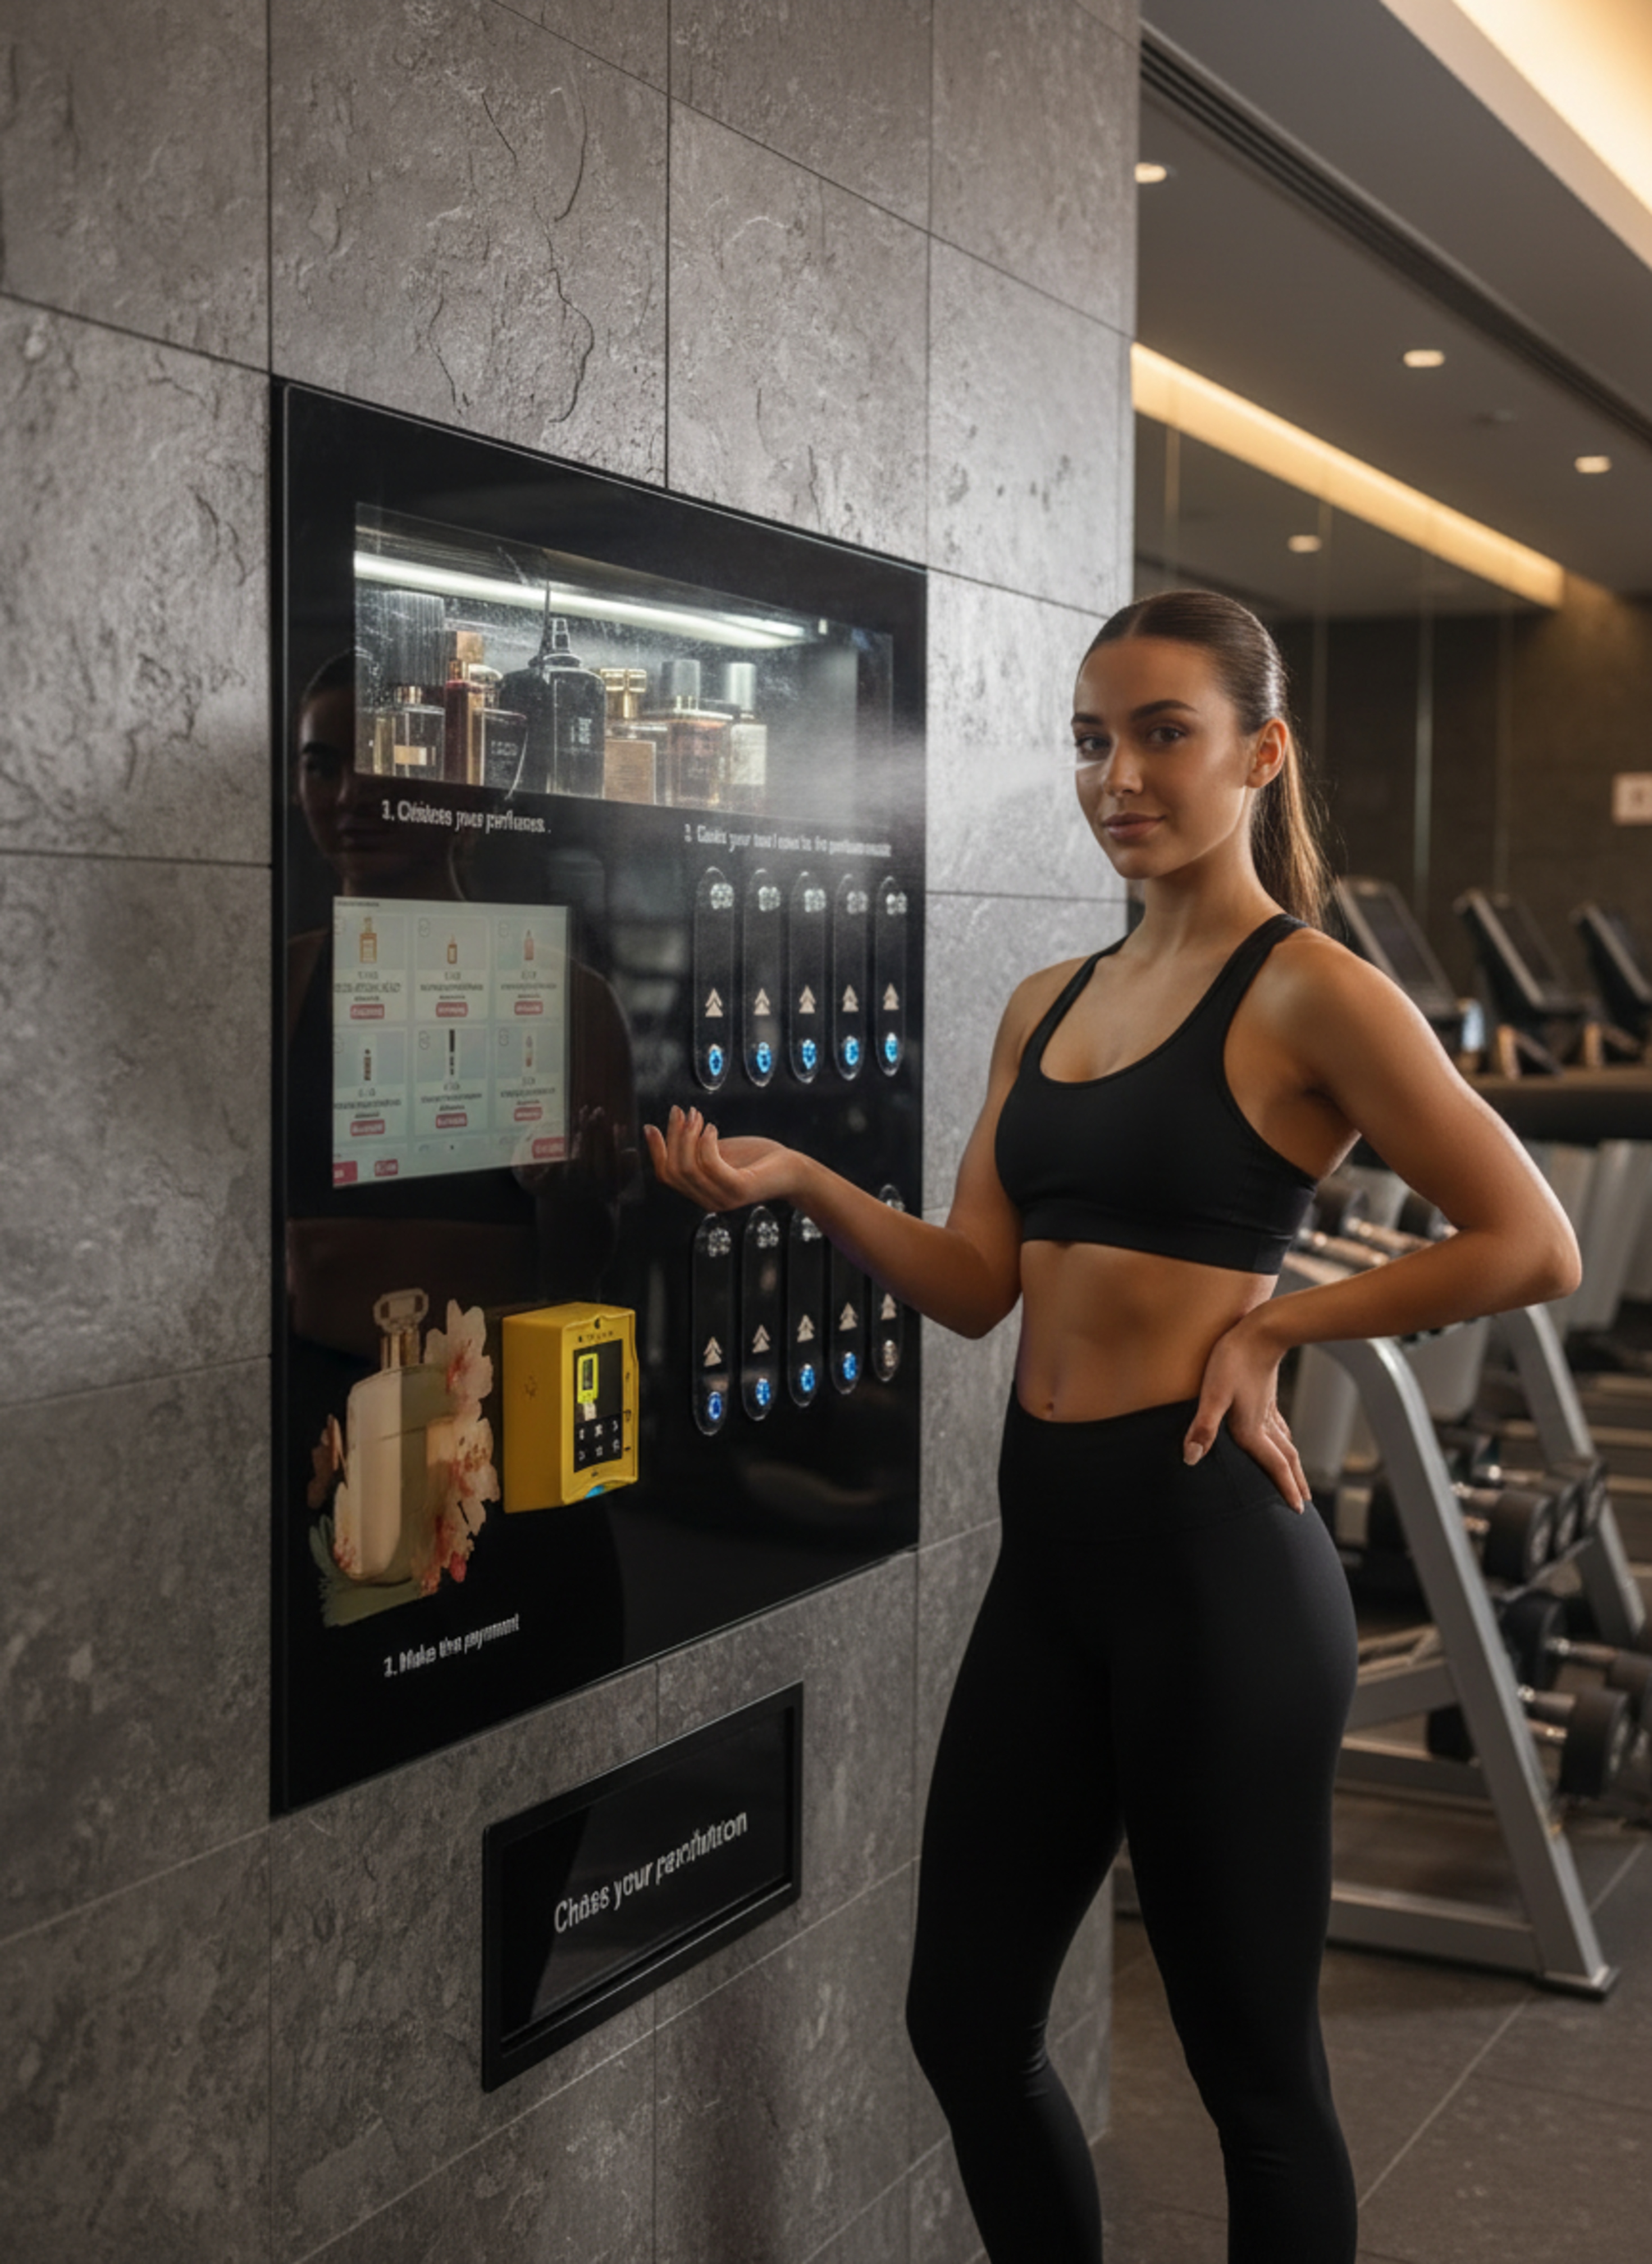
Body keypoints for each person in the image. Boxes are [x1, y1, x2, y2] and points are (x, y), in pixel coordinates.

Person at [646, 588, 1580, 2262]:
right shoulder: (1049, 1002)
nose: (1120, 774)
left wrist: (1280, 1324)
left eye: (1164, 733)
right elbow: (975, 1286)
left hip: (1216, 1565)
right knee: (963, 2022)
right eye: (1094, 737)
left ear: (1259, 752)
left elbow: (1532, 1239)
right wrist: (797, 1179)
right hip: (1054, 1570)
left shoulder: (1310, 992)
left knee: (1253, 2077)